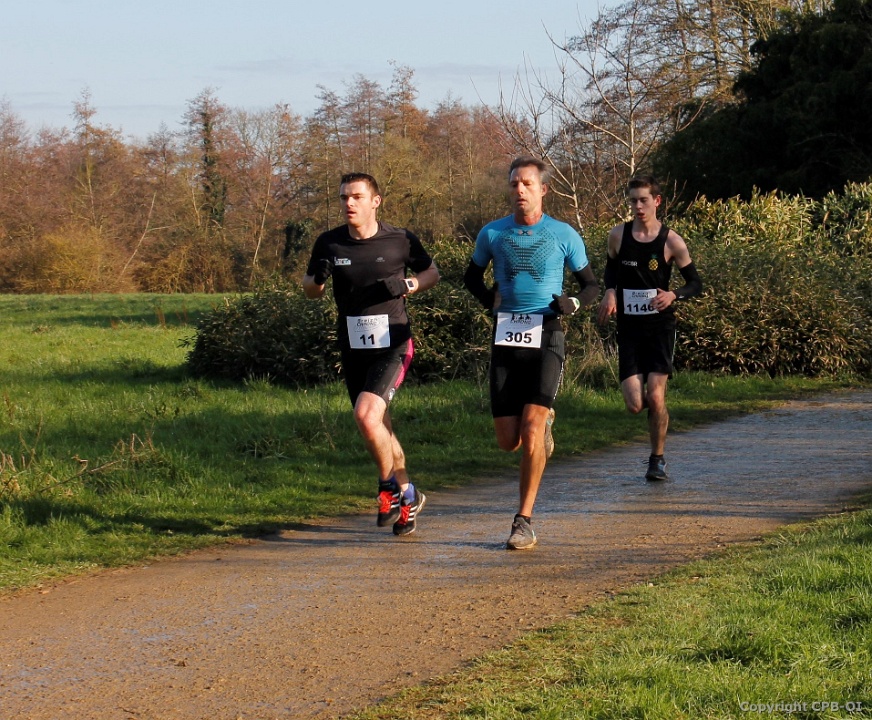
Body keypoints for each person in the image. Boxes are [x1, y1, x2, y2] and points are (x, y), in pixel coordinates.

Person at [463, 157, 599, 550]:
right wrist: (488, 299)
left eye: (526, 183)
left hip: (547, 334)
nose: (519, 190)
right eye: (514, 184)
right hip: (506, 336)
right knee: (509, 441)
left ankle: (523, 521)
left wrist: (574, 302)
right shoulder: (492, 233)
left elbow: (591, 285)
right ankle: (542, 428)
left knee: (531, 429)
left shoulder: (563, 234)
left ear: (543, 190)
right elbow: (471, 277)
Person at [303, 172, 440, 536]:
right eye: (344, 197)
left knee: (366, 416)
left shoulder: (399, 239)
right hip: (354, 348)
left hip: (393, 344)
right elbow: (310, 289)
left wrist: (409, 284)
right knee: (379, 427)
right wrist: (318, 279)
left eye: (357, 197)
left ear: (375, 201)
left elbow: (431, 273)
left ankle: (387, 489)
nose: (349, 203)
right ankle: (409, 494)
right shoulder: (329, 243)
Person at [596, 175, 702, 481]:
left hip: (659, 328)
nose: (638, 206)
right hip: (629, 330)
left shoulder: (671, 241)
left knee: (656, 397)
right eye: (633, 201)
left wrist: (673, 295)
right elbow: (610, 270)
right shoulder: (618, 235)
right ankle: (655, 423)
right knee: (635, 404)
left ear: (657, 201)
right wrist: (610, 291)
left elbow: (695, 283)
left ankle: (657, 459)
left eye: (644, 200)